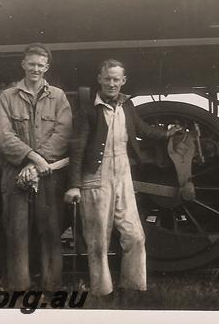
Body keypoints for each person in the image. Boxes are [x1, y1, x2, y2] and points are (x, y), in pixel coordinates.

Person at [64, 59, 180, 296]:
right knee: (98, 241)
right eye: (107, 78)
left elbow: (143, 131)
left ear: (123, 81)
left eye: (116, 79)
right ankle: (101, 292)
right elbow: (77, 148)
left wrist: (167, 134)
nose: (111, 83)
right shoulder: (88, 110)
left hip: (123, 174)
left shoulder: (127, 106)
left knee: (135, 235)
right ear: (99, 79)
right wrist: (74, 185)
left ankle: (133, 287)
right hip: (95, 176)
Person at [0, 43, 72, 291]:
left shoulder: (59, 96)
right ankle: (19, 288)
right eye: (31, 64)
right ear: (23, 64)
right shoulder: (7, 97)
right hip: (15, 173)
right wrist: (32, 159)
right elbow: (4, 136)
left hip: (48, 173)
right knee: (16, 232)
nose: (35, 69)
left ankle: (52, 287)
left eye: (40, 65)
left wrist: (37, 162)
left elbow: (63, 134)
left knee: (50, 231)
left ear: (47, 67)